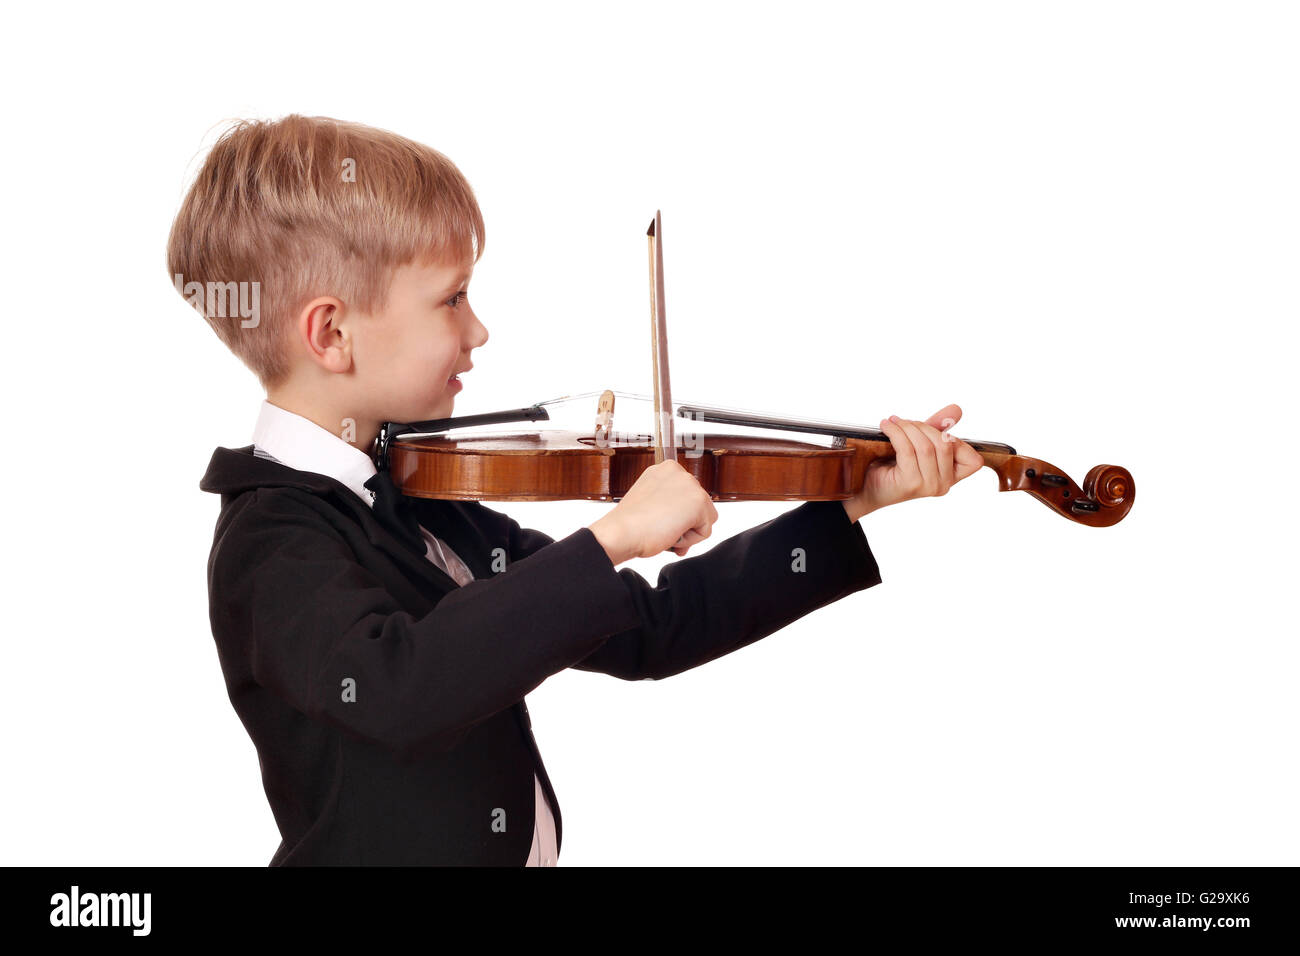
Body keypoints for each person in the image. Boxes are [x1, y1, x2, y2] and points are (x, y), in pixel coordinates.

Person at [174, 114, 985, 865]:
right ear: (332, 334)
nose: (478, 329)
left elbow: (652, 627)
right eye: (452, 299)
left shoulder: (416, 499)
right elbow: (400, 690)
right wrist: (610, 538)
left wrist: (847, 508)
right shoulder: (272, 541)